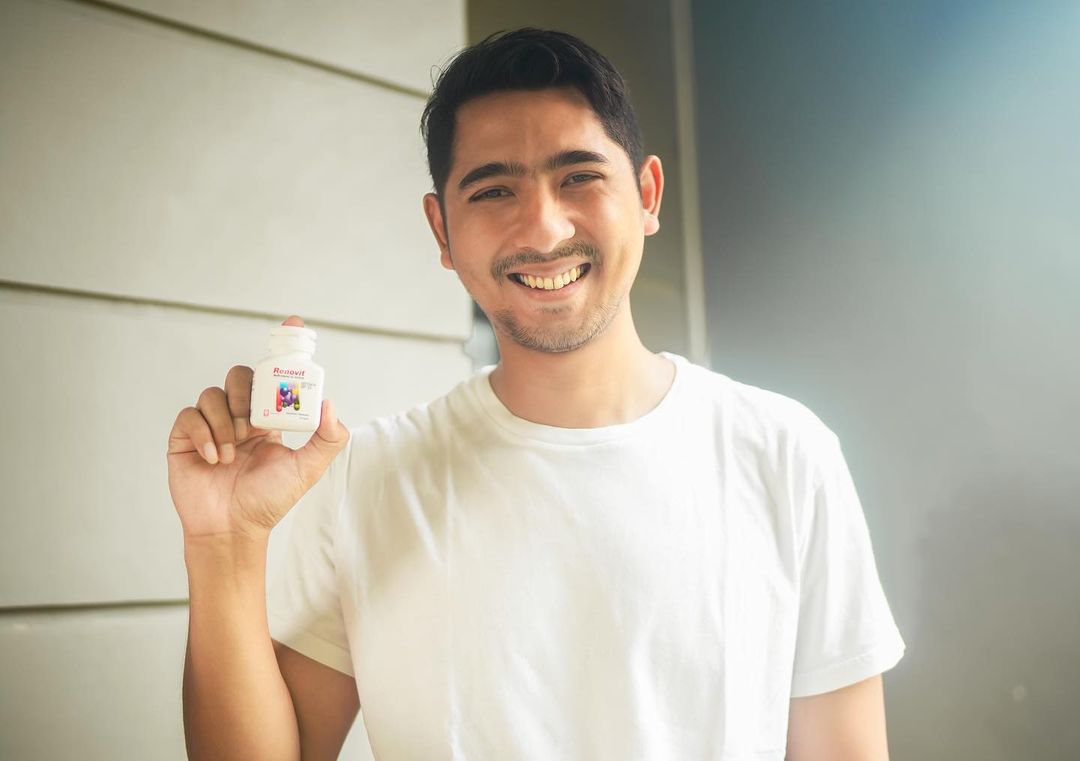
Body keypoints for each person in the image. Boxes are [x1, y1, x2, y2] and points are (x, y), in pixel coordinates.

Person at [167, 27, 905, 761]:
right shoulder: (365, 479)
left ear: (647, 194)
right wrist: (224, 546)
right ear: (442, 231)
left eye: (579, 177)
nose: (545, 230)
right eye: (494, 190)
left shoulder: (785, 454)